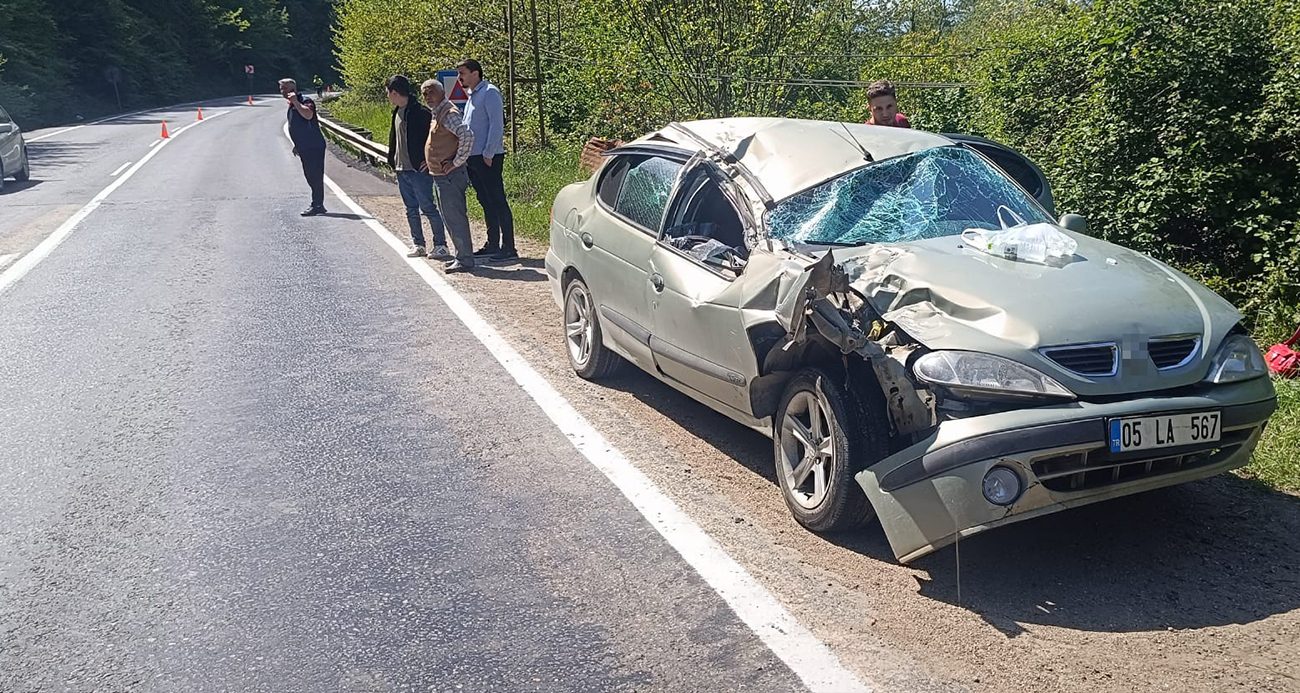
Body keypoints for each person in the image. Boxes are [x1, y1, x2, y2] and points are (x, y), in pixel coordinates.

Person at [456, 59, 516, 262]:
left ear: (475, 73)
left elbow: (496, 125)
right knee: (485, 201)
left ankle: (508, 247)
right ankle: (493, 244)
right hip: (473, 158)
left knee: (497, 199)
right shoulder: (473, 96)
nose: (460, 77)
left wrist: (489, 153)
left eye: (462, 73)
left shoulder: (490, 92)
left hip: (487, 157)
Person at [385, 75, 449, 260]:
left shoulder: (420, 112)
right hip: (401, 168)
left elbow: (433, 139)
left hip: (418, 170)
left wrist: (427, 160)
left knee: (428, 207)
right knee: (410, 209)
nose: (388, 96)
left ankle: (440, 245)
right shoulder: (397, 111)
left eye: (388, 92)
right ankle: (418, 244)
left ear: (394, 92)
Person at [421, 78, 476, 273]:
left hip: (450, 176)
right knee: (450, 217)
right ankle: (461, 256)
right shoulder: (437, 112)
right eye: (424, 94)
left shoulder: (448, 113)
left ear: (441, 92)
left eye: (431, 92)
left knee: (455, 217)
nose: (427, 97)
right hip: (440, 174)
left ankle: (465, 259)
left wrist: (456, 162)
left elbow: (467, 135)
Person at [280, 78, 328, 216]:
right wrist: (297, 145)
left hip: (314, 145)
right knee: (310, 176)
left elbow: (308, 115)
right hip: (304, 147)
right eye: (281, 88)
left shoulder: (305, 101)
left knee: (315, 176)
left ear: (292, 89)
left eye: (284, 88)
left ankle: (317, 205)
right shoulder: (292, 104)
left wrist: (295, 101)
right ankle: (317, 204)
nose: (282, 91)